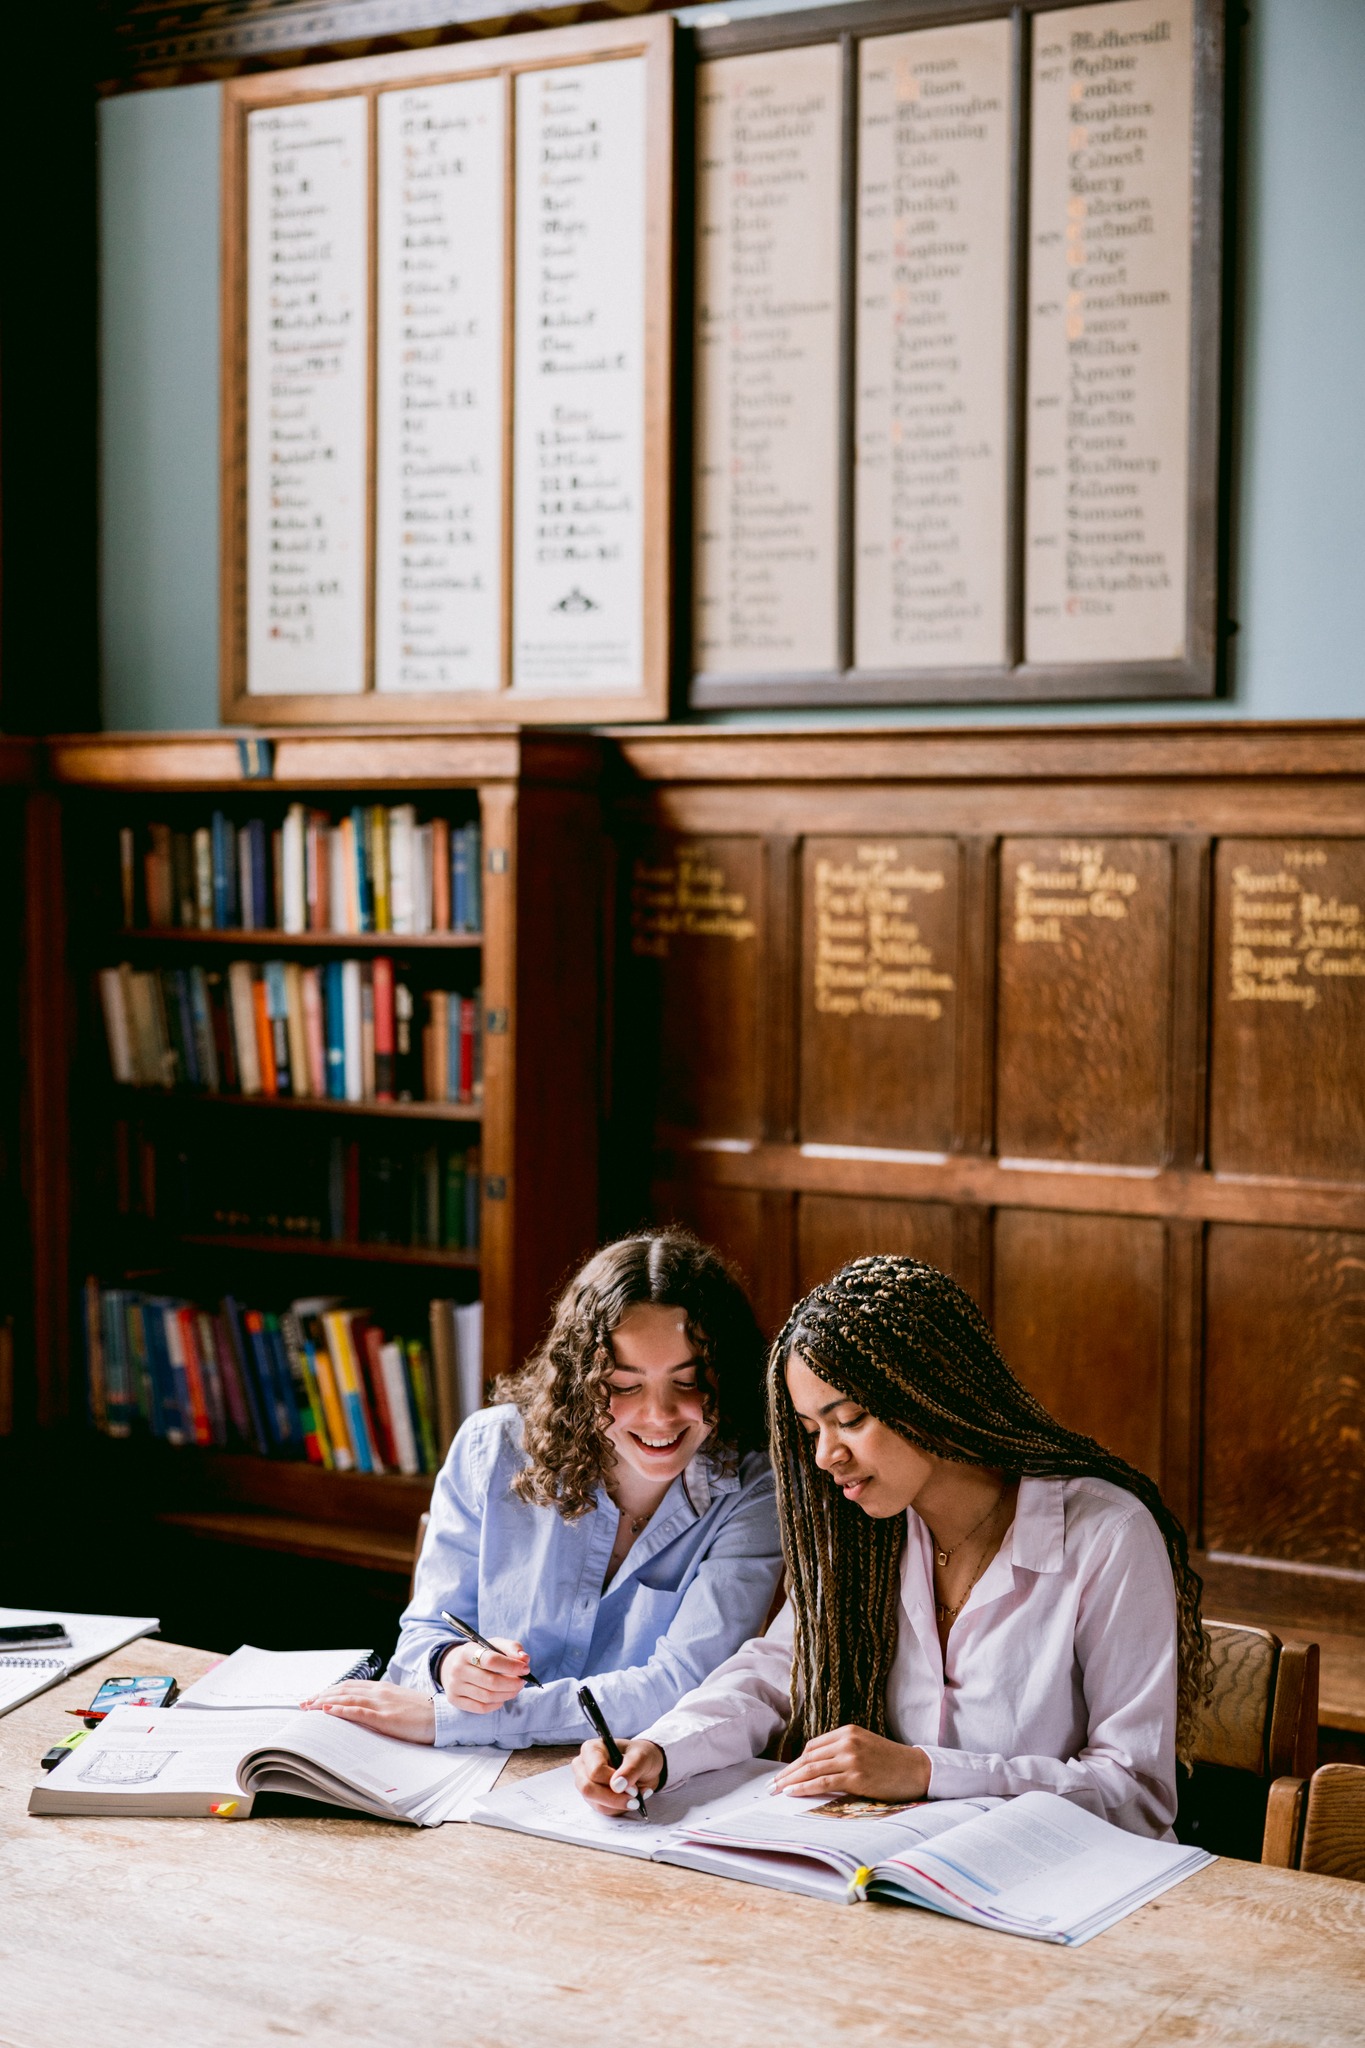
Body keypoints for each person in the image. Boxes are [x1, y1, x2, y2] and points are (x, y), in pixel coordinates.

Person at [575, 1255, 1205, 1838]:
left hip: (1066, 1892)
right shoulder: (858, 1533)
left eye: (848, 1420)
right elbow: (772, 1674)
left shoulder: (1107, 1535)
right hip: (892, 1880)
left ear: (929, 1393)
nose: (826, 1455)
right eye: (809, 1429)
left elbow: (1137, 1795)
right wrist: (660, 1749)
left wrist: (928, 1773)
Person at [303, 1229, 782, 1747]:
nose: (659, 1415)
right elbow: (423, 1636)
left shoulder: (755, 1492)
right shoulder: (492, 1449)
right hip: (455, 1773)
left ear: (726, 1374)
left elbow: (680, 1686)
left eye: (688, 1382)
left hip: (623, 1784)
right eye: (623, 1385)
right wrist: (453, 1665)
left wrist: (464, 1721)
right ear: (580, 1377)